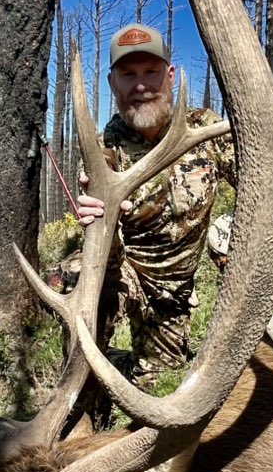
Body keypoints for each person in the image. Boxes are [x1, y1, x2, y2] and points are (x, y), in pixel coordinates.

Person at [78, 23, 235, 388]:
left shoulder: (205, 128)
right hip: (126, 275)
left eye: (151, 71)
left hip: (174, 295)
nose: (141, 85)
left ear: (170, 76)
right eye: (128, 75)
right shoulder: (103, 148)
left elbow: (258, 182)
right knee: (78, 281)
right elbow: (106, 257)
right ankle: (83, 378)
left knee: (155, 387)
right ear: (112, 83)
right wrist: (96, 223)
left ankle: (115, 365)